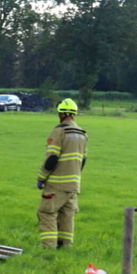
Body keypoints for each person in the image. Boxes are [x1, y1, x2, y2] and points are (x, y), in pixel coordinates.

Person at [37, 98, 88, 249]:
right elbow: (83, 160)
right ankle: (66, 246)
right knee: (67, 216)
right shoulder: (83, 134)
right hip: (74, 185)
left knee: (47, 213)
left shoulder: (59, 131)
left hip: (57, 184)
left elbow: (52, 158)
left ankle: (48, 247)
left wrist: (41, 177)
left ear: (62, 114)